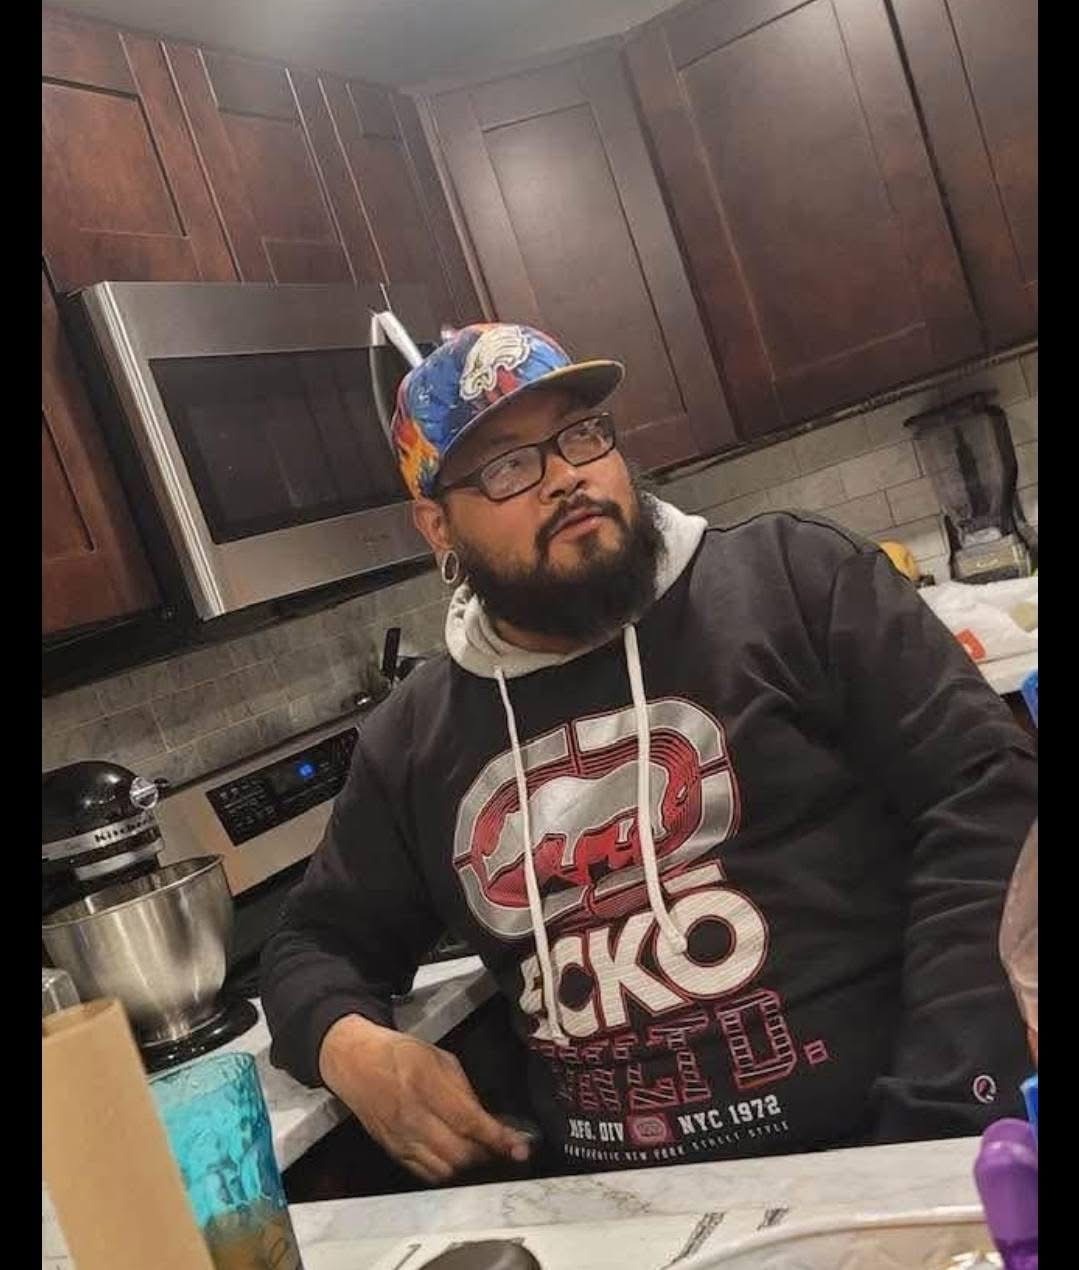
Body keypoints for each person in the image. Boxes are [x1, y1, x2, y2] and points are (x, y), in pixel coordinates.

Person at [260, 323, 1037, 1184]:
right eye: (508, 466)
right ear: (437, 525)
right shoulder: (413, 740)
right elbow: (311, 943)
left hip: (892, 1149)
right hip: (615, 1212)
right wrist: (348, 1047)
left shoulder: (795, 582)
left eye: (580, 433)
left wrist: (935, 1121)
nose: (566, 475)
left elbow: (986, 801)